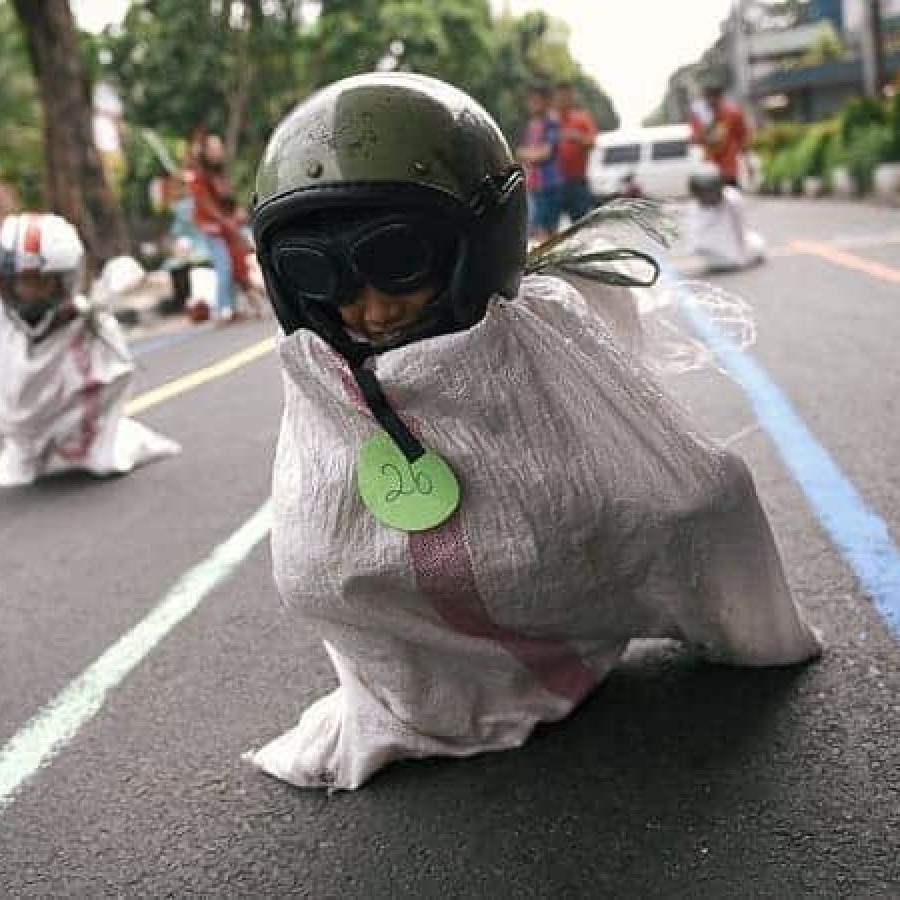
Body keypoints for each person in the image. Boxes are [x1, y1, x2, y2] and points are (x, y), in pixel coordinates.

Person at [244, 72, 822, 791]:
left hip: (576, 586)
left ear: (478, 242)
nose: (369, 310)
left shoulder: (544, 331)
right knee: (308, 565)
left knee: (703, 499)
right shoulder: (317, 367)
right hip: (415, 657)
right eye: (319, 275)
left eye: (398, 265)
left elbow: (692, 496)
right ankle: (429, 690)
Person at [0, 213, 180, 486]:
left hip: (85, 435)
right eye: (22, 283)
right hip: (24, 444)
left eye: (39, 283)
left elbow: (113, 378)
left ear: (64, 281)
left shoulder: (91, 323)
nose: (30, 293)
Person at [187, 133, 264, 321]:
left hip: (227, 227)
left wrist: (236, 212)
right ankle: (224, 310)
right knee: (224, 266)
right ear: (205, 153)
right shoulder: (199, 177)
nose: (218, 152)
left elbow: (228, 200)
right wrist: (228, 222)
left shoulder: (218, 173)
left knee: (238, 264)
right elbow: (208, 207)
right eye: (214, 148)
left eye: (219, 148)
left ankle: (235, 308)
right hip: (213, 228)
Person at [686, 165, 765, 272]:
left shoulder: (730, 199)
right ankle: (732, 257)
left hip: (710, 254)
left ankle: (728, 258)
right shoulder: (731, 198)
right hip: (722, 255)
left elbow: (694, 234)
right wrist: (742, 257)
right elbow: (740, 227)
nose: (707, 196)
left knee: (755, 241)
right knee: (757, 243)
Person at [516, 80, 563, 242]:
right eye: (531, 100)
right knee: (536, 229)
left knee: (545, 231)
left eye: (537, 100)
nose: (533, 104)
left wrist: (524, 154)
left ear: (547, 101)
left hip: (547, 185)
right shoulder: (531, 125)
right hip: (532, 185)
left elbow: (545, 153)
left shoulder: (551, 123)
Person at [688, 82, 750, 188]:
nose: (711, 100)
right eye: (708, 96)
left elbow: (743, 137)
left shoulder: (732, 113)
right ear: (705, 97)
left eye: (714, 96)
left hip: (728, 168)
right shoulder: (698, 116)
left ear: (720, 97)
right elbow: (694, 139)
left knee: (732, 197)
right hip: (710, 168)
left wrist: (747, 160)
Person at [554, 79, 598, 224]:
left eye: (566, 97)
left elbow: (592, 143)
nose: (563, 100)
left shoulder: (582, 119)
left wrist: (577, 137)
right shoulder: (549, 121)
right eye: (559, 97)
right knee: (549, 229)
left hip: (576, 182)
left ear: (572, 97)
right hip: (552, 183)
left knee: (580, 224)